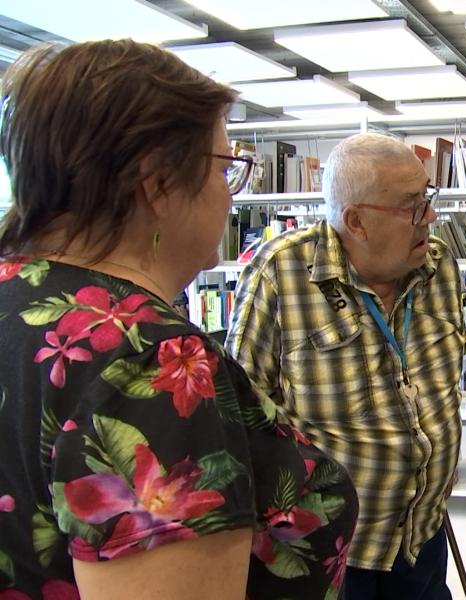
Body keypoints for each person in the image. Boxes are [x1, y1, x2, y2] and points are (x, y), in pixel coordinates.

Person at [0, 40, 357, 600]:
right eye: (224, 168)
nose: (230, 198)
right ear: (158, 182)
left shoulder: (15, 298)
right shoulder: (153, 363)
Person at [226, 132, 466, 600]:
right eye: (412, 205)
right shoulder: (282, 271)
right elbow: (241, 415)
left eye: (428, 198)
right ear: (355, 220)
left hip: (421, 537)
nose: (431, 217)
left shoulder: (439, 267)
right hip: (329, 549)